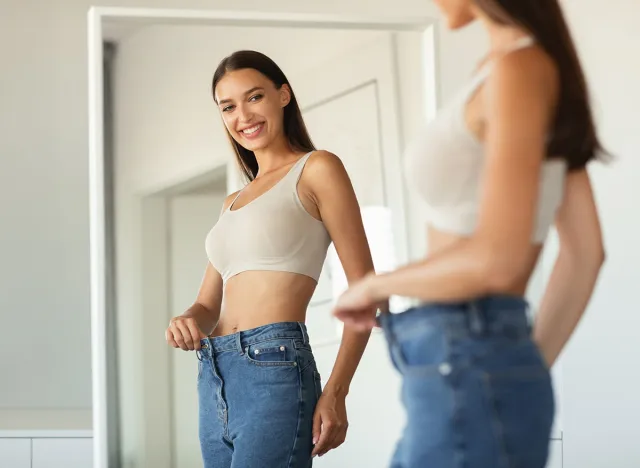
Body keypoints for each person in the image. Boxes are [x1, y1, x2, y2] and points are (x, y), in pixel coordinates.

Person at [332, 1, 607, 467]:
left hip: (465, 354)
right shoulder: (517, 70)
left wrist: (376, 284)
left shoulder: (520, 70)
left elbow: (497, 261)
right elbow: (585, 254)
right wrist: (517, 368)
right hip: (466, 363)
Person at [164, 50, 376, 467]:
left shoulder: (317, 169)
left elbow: (366, 288)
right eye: (228, 107)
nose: (243, 115)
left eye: (254, 97)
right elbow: (208, 306)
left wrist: (336, 391)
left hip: (274, 363)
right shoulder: (232, 202)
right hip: (215, 370)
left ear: (283, 95)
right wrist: (185, 319)